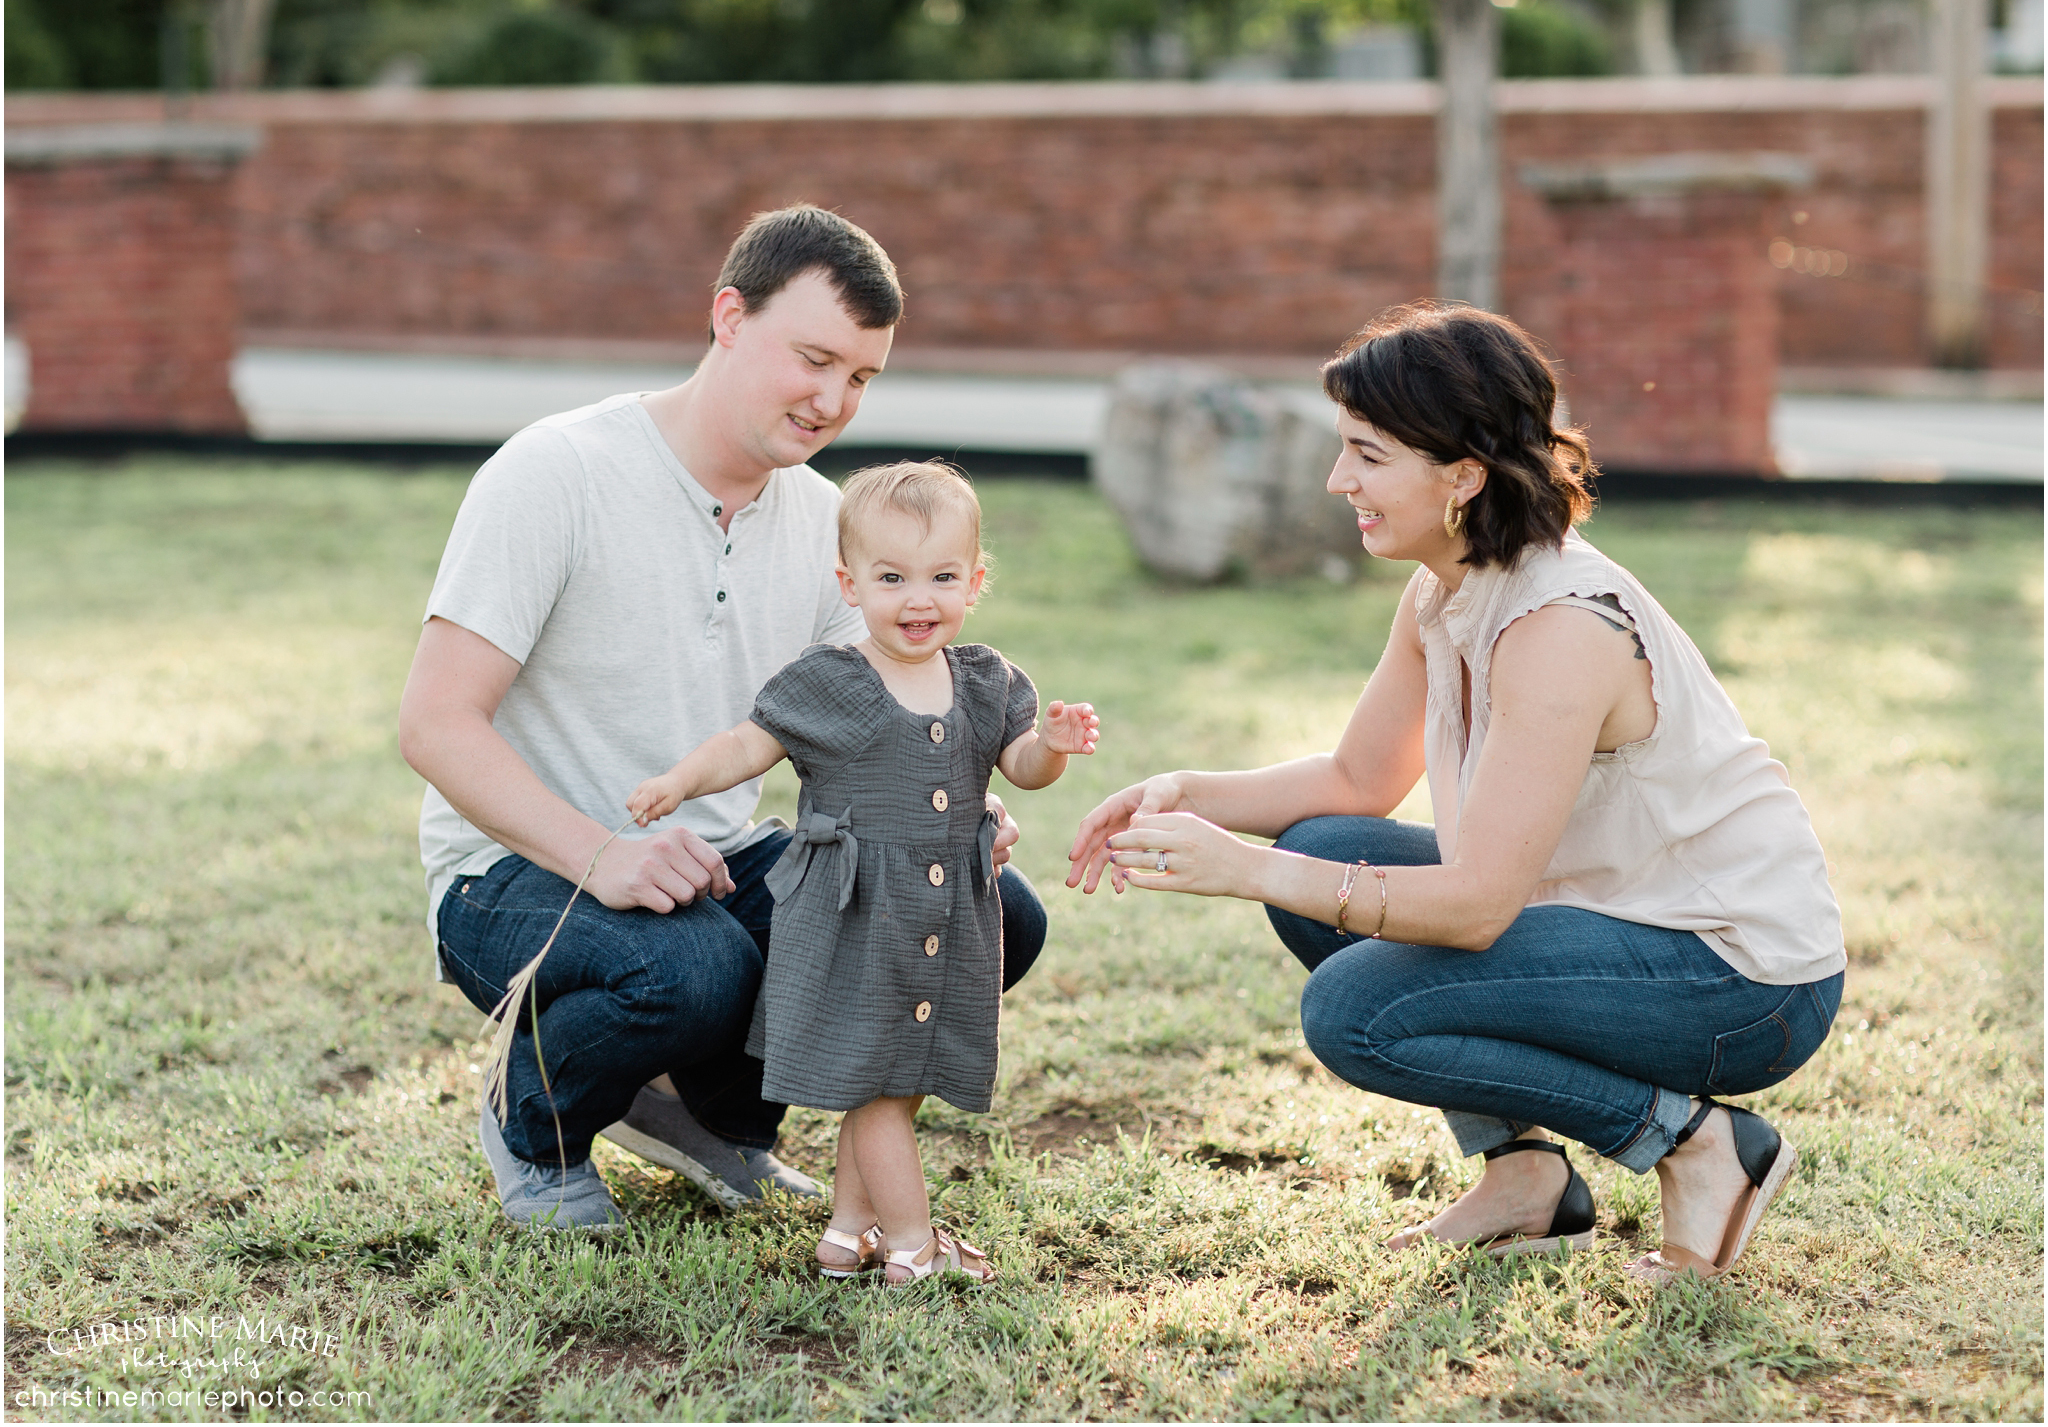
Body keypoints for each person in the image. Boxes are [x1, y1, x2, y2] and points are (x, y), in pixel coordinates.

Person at [1067, 301, 1845, 1285]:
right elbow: (1357, 780)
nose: (1335, 479)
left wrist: (1245, 867)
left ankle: (1694, 1144)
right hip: (1610, 924)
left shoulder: (1559, 626)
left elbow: (1476, 906)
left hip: (1738, 978)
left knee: (1352, 1009)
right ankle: (1523, 1178)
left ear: (1461, 474)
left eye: (1364, 454)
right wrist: (1184, 791)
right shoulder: (1446, 583)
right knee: (1327, 836)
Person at [397, 205, 1051, 1229]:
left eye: (861, 377)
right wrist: (601, 853)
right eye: (813, 358)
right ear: (728, 317)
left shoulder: (831, 528)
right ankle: (535, 1122)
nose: (833, 399)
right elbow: (433, 726)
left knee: (990, 913)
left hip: (717, 854)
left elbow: (878, 727)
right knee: (692, 966)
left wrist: (946, 812)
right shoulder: (556, 471)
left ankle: (707, 1119)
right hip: (512, 871)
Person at [627, 461, 1098, 1281]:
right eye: (892, 578)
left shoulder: (985, 681)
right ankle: (914, 1247)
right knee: (878, 1086)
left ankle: (847, 1234)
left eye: (942, 577)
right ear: (850, 584)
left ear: (974, 581)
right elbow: (748, 743)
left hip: (946, 915)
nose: (919, 599)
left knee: (897, 1077)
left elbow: (1018, 766)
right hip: (857, 914)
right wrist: (679, 781)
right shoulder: (833, 681)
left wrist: (1051, 746)